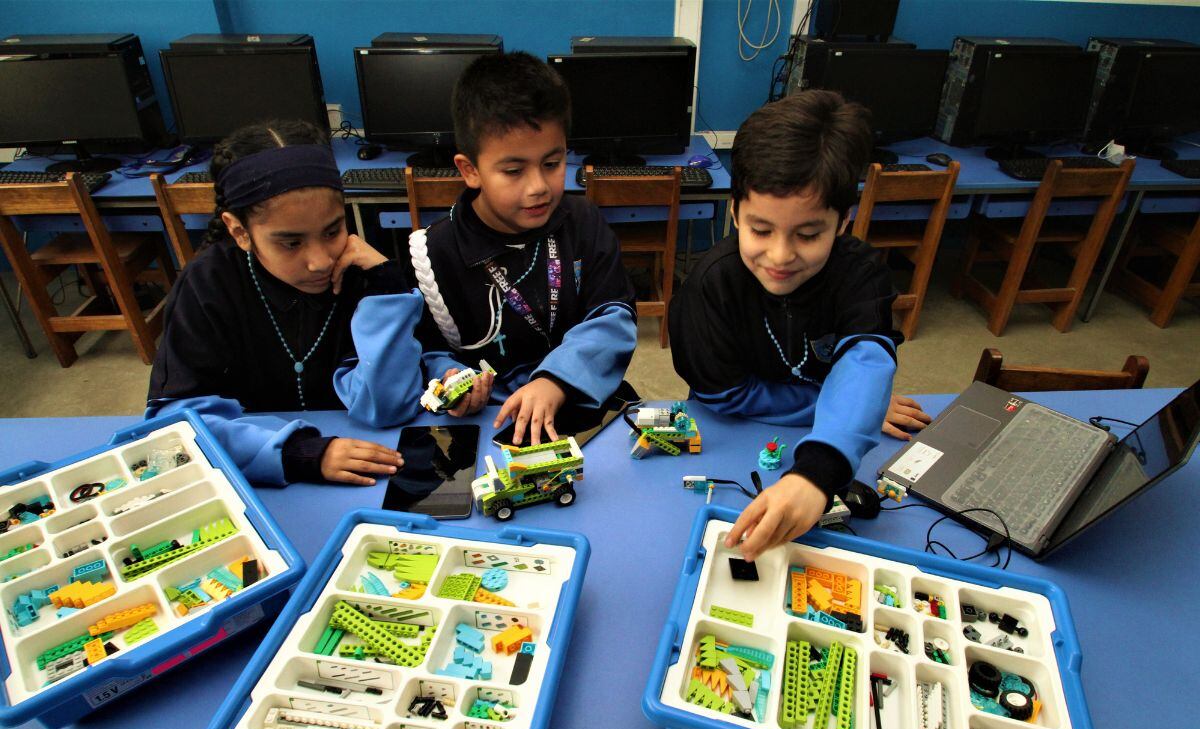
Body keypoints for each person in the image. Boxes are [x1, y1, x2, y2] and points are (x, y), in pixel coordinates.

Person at [669, 90, 927, 560]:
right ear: (734, 212)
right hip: (728, 432)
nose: (781, 255)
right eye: (760, 230)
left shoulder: (861, 272)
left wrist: (827, 454)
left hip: (825, 440)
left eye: (808, 234)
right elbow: (725, 396)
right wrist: (841, 408)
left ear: (842, 222)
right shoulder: (709, 285)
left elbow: (866, 360)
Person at [147, 120, 424, 486]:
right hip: (257, 485)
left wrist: (388, 289)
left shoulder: (362, 274)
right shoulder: (207, 285)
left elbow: (388, 406)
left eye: (333, 230)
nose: (321, 261)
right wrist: (298, 452)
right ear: (240, 231)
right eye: (291, 243)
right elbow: (172, 431)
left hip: (363, 466)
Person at [390, 51, 637, 446]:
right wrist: (451, 380)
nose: (538, 186)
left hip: (585, 406)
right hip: (491, 424)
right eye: (513, 171)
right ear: (470, 170)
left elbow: (614, 319)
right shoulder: (433, 254)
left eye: (552, 163)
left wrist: (556, 379)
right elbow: (426, 351)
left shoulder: (583, 222)